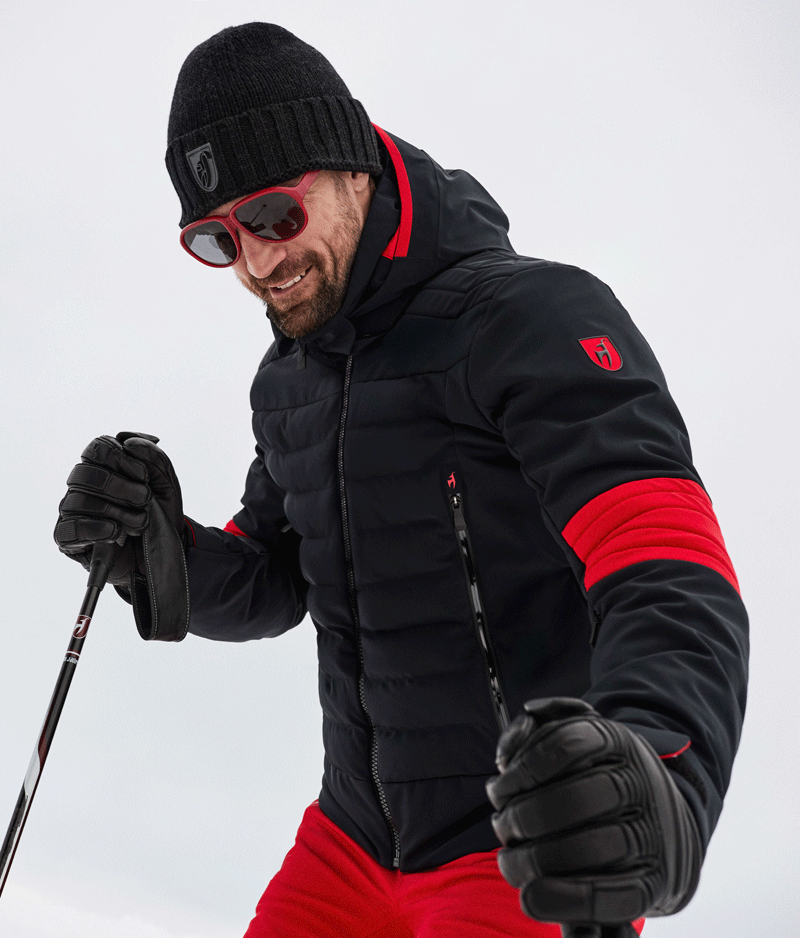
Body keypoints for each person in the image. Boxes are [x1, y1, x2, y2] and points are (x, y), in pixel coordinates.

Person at [54, 22, 749, 938]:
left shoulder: (531, 318)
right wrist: (157, 548)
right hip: (350, 839)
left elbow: (664, 562)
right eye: (218, 239)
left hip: (520, 841)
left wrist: (662, 769)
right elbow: (277, 574)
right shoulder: (292, 377)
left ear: (354, 168)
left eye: (275, 215)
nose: (258, 262)